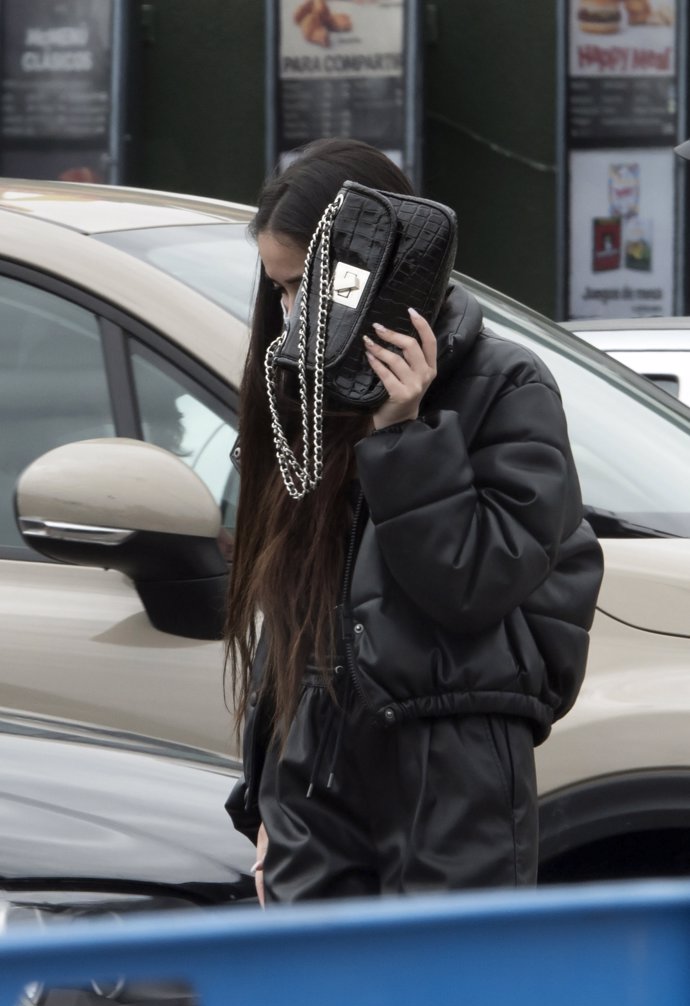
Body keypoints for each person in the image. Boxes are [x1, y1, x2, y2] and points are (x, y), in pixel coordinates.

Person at [225, 138, 604, 905]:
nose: (295, 316)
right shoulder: (303, 396)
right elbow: (288, 616)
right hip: (317, 760)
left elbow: (475, 583)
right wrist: (264, 802)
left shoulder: (504, 385)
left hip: (452, 759)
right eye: (280, 293)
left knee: (445, 1002)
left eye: (307, 288)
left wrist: (403, 436)